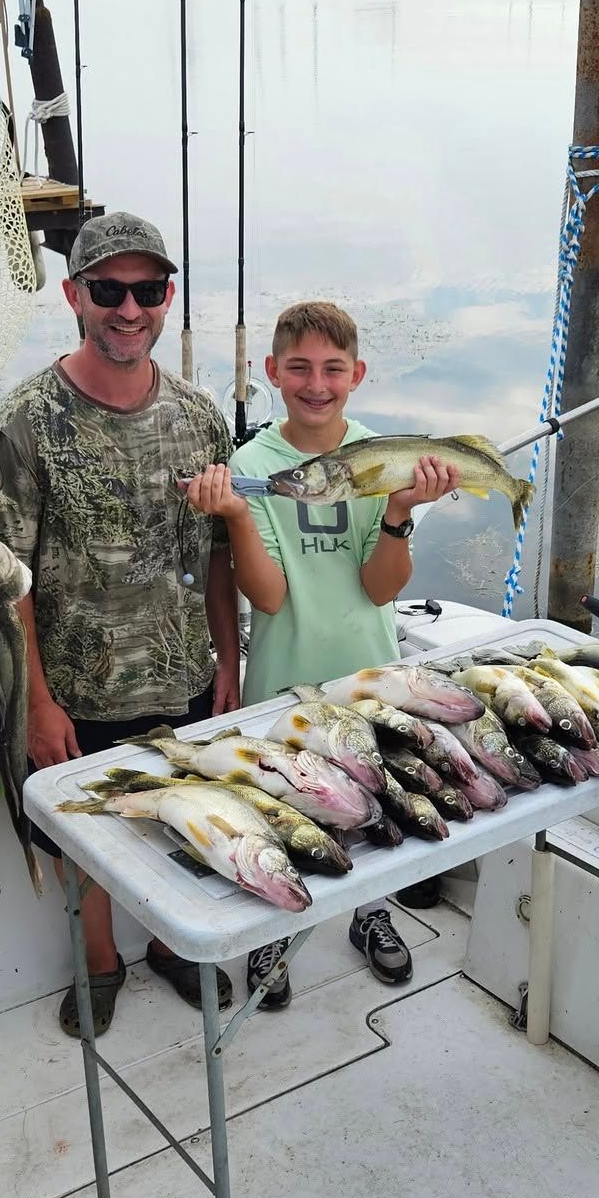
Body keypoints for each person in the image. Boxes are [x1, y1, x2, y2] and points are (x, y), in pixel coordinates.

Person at [0, 212, 242, 1038]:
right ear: (74, 296)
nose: (129, 310)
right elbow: (6, 579)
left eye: (148, 290)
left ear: (168, 298)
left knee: (185, 822)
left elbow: (219, 555)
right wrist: (36, 701)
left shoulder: (201, 416)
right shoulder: (23, 421)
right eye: (108, 290)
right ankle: (99, 960)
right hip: (75, 691)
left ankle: (169, 945)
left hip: (184, 678)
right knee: (85, 844)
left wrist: (228, 662)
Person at [183, 300, 458, 1005]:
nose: (316, 384)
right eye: (299, 368)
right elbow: (269, 597)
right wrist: (238, 516)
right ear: (271, 372)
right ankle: (273, 931)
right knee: (282, 809)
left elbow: (380, 587)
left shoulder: (382, 456)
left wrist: (398, 512)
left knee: (374, 802)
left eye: (333, 369)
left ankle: (372, 914)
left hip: (370, 678)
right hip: (281, 684)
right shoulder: (253, 466)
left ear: (357, 375)